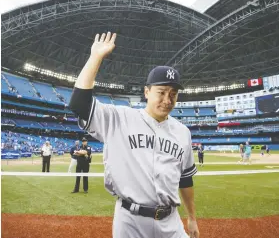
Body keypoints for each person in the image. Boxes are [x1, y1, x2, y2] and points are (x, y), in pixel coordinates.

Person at [69, 32, 199, 238]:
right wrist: (96, 57)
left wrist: (192, 217)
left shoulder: (183, 133)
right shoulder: (119, 118)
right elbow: (79, 104)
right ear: (146, 92)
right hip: (130, 221)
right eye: (161, 92)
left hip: (171, 221)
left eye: (173, 94)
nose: (168, 99)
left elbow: (185, 180)